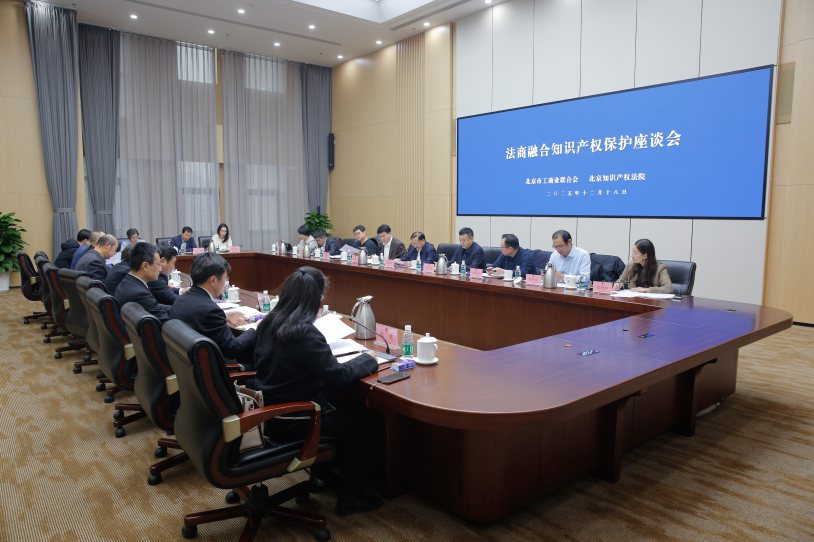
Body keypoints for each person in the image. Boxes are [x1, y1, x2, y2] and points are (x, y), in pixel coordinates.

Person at [253, 266, 383, 516]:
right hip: (297, 419)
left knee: (344, 409)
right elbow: (338, 376)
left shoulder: (269, 322)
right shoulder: (304, 333)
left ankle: (322, 477)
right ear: (314, 299)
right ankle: (350, 498)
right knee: (367, 425)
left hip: (270, 413)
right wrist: (369, 359)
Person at [168, 252, 256, 369]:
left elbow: (199, 317)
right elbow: (233, 349)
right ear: (213, 280)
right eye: (225, 278)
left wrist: (224, 316)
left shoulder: (182, 299)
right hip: (217, 372)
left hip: (188, 367)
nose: (225, 283)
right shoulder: (210, 310)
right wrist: (254, 328)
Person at [114, 242, 171, 324]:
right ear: (145, 266)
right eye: (158, 264)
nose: (160, 269)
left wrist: (176, 308)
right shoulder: (139, 294)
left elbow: (154, 306)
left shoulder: (127, 282)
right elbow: (164, 322)